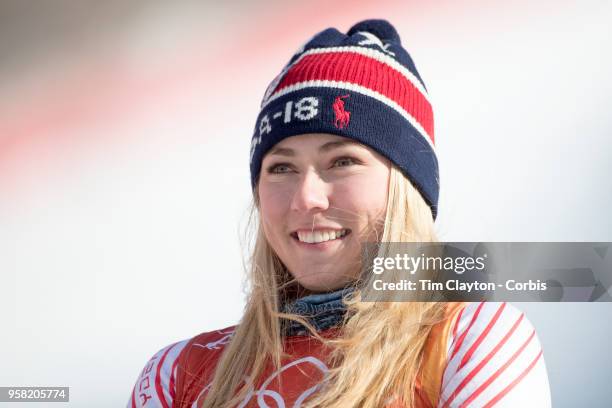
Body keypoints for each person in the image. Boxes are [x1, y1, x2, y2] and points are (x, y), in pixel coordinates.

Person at [127, 19, 552, 408]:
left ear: (406, 187)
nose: (306, 197)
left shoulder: (469, 340)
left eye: (342, 161)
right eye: (281, 167)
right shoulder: (178, 375)